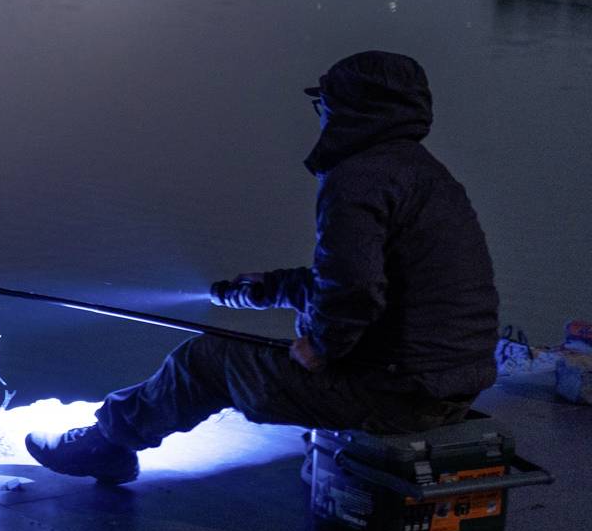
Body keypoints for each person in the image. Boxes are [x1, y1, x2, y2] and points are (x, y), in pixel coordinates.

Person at [26, 50, 499, 484]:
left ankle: (105, 444)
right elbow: (374, 283)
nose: (323, 116)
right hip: (451, 388)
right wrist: (270, 289)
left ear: (352, 109)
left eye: (326, 104)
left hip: (397, 396)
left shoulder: (357, 178)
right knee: (256, 350)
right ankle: (114, 436)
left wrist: (322, 345)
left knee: (206, 360)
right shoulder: (424, 173)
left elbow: (355, 290)